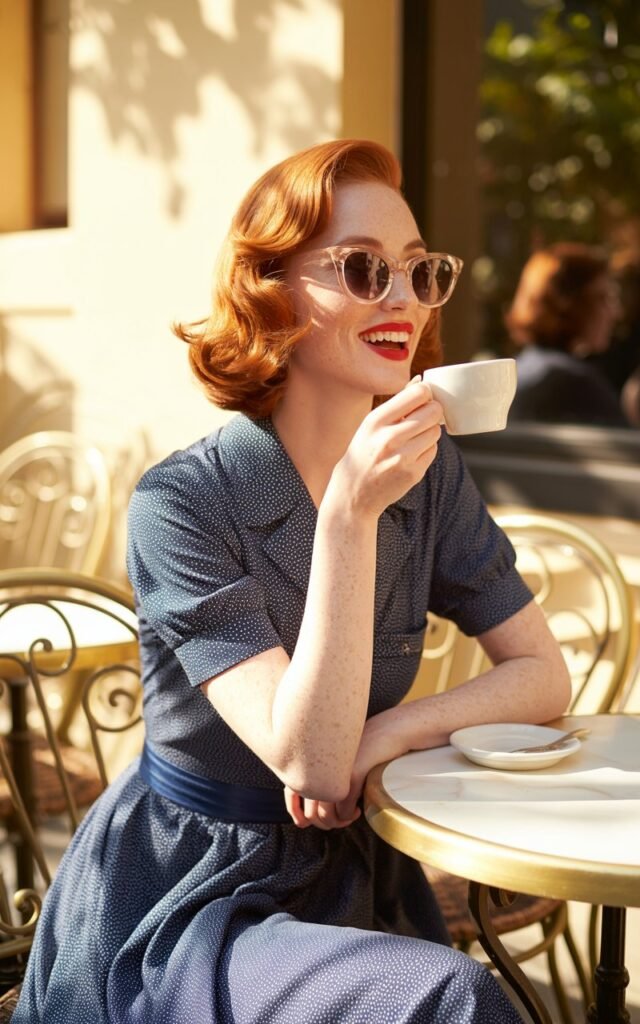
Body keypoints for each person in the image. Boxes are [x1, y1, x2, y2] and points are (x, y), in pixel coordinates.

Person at [13, 139, 570, 1024]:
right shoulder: (181, 502)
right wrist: (348, 513)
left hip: (357, 876)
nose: (403, 299)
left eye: (418, 270)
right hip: (190, 901)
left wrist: (386, 734)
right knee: (452, 995)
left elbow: (543, 674)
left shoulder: (430, 478)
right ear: (270, 290)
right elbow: (308, 758)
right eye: (363, 268)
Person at [505, 242, 629, 427]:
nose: (616, 313)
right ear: (569, 303)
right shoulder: (574, 384)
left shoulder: (520, 370)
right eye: (603, 298)